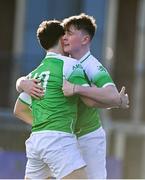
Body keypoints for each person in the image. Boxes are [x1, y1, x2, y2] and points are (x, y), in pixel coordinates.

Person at [15, 14, 129, 179]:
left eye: (70, 33)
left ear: (84, 40)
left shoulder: (91, 65)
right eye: (64, 34)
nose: (65, 38)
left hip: (87, 136)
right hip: (62, 136)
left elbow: (105, 96)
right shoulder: (65, 63)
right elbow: (20, 109)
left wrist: (77, 89)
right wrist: (21, 83)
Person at [14, 19, 98, 179]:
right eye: (66, 35)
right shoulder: (70, 65)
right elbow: (90, 99)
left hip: (37, 141)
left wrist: (45, 125)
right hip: (59, 140)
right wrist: (116, 100)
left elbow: (19, 110)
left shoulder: (35, 73)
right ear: (62, 39)